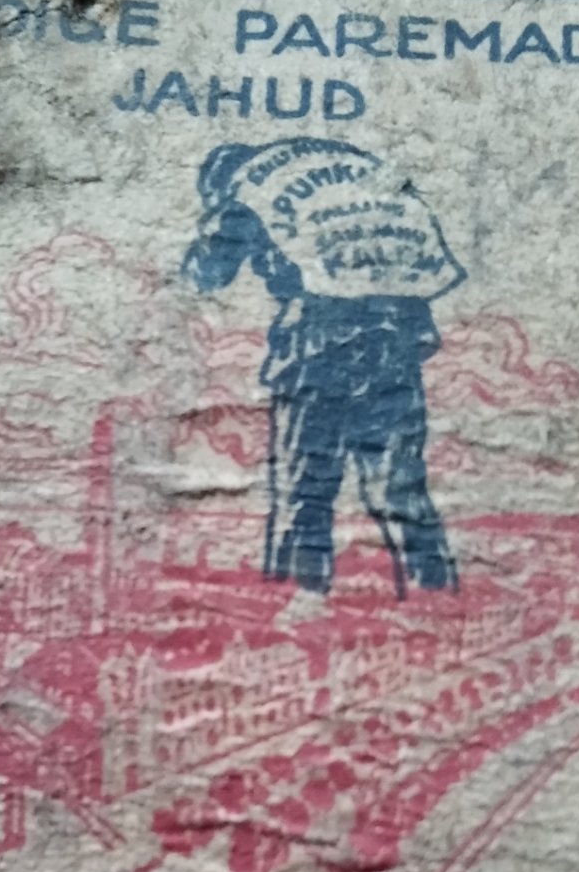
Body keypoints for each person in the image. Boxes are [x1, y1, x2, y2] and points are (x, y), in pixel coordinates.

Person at [183, 139, 460, 597]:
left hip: (317, 348)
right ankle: (435, 593)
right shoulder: (344, 184)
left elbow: (206, 274)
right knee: (398, 489)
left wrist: (213, 222)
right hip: (395, 344)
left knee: (305, 489)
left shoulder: (249, 192)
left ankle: (297, 596)